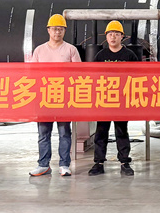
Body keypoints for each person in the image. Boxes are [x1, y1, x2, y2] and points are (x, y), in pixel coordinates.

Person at [29, 14, 81, 177]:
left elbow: (79, 73)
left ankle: (64, 165)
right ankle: (43, 165)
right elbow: (32, 74)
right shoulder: (39, 50)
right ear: (48, 30)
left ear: (64, 31)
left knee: (64, 132)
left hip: (64, 97)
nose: (57, 32)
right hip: (44, 98)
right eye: (54, 29)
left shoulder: (71, 49)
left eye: (60, 29)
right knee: (43, 133)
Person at [88, 20, 138, 177]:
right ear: (106, 37)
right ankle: (98, 163)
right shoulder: (100, 56)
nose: (113, 37)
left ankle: (124, 162)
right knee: (101, 132)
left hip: (122, 100)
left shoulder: (129, 56)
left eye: (116, 34)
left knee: (121, 131)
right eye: (110, 34)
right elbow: (94, 78)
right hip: (104, 100)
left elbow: (138, 77)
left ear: (122, 36)